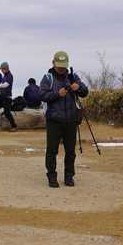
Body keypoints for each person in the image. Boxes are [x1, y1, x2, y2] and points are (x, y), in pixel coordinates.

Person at [39, 51, 87, 188]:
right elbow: (41, 95)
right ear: (53, 63)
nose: (61, 68)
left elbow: (85, 92)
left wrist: (79, 87)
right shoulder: (48, 78)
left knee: (70, 151)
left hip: (71, 120)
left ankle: (69, 176)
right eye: (59, 66)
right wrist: (57, 94)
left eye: (63, 66)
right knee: (52, 150)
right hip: (53, 120)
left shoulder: (73, 77)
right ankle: (52, 177)